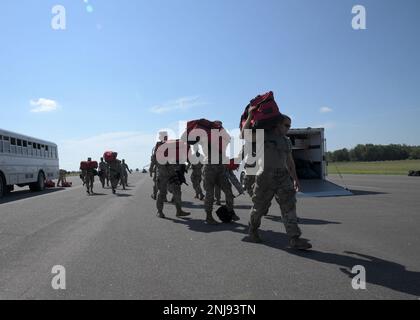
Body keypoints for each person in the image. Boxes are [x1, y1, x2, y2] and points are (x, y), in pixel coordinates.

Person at [242, 108, 311, 250]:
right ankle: (253, 230)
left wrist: (295, 179)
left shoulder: (286, 141)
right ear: (277, 124)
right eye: (286, 125)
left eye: (290, 126)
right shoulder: (263, 136)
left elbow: (290, 161)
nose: (288, 128)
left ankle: (294, 238)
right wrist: (249, 115)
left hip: (283, 176)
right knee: (259, 208)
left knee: (289, 206)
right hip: (265, 177)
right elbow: (245, 135)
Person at [200, 120, 239, 225]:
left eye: (221, 125)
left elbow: (229, 139)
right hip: (209, 167)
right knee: (210, 194)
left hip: (221, 167)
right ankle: (209, 216)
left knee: (229, 192)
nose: (219, 127)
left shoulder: (223, 139)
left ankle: (230, 211)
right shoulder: (206, 138)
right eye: (217, 126)